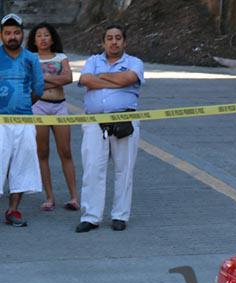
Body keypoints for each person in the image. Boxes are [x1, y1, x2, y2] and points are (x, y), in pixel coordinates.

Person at [76, 24, 144, 233]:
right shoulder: (92, 61)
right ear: (103, 42)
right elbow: (85, 79)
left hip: (125, 121)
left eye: (118, 38)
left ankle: (120, 216)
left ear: (125, 41)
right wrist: (117, 81)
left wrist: (101, 78)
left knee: (124, 170)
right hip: (95, 122)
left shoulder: (134, 62)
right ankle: (91, 216)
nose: (114, 42)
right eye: (109, 38)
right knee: (92, 169)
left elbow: (128, 78)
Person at [27, 22, 78, 212]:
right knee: (42, 153)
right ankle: (49, 197)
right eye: (39, 35)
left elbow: (68, 79)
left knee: (65, 152)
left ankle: (74, 197)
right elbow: (31, 83)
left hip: (60, 107)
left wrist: (42, 79)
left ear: (52, 38)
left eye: (46, 35)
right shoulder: (29, 57)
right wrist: (54, 81)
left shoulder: (61, 57)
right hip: (38, 107)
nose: (42, 38)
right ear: (33, 39)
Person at [0, 13, 43, 227]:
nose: (12, 37)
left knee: (22, 165)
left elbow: (38, 89)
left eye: (16, 32)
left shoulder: (31, 59)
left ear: (23, 34)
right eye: (7, 33)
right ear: (1, 35)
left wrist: (21, 106)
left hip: (24, 121)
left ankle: (13, 210)